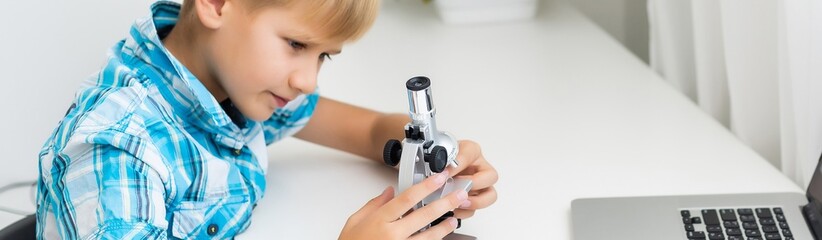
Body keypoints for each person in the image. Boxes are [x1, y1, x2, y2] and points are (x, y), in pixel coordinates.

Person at [35, 0, 498, 239]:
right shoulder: (119, 151)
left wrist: (436, 153)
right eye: (296, 45)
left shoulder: (235, 84)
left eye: (325, 57)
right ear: (216, 3)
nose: (308, 81)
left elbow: (372, 130)